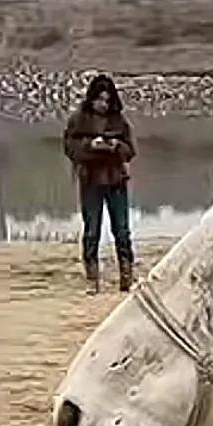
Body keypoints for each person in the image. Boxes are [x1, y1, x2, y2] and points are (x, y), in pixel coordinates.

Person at [63, 74, 137, 295]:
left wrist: (115, 146)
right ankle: (92, 279)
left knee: (121, 230)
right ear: (92, 98)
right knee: (92, 230)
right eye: (99, 100)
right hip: (91, 180)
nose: (103, 105)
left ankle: (127, 276)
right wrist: (90, 145)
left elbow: (130, 150)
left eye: (107, 100)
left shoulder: (119, 121)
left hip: (115, 180)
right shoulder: (79, 119)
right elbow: (69, 147)